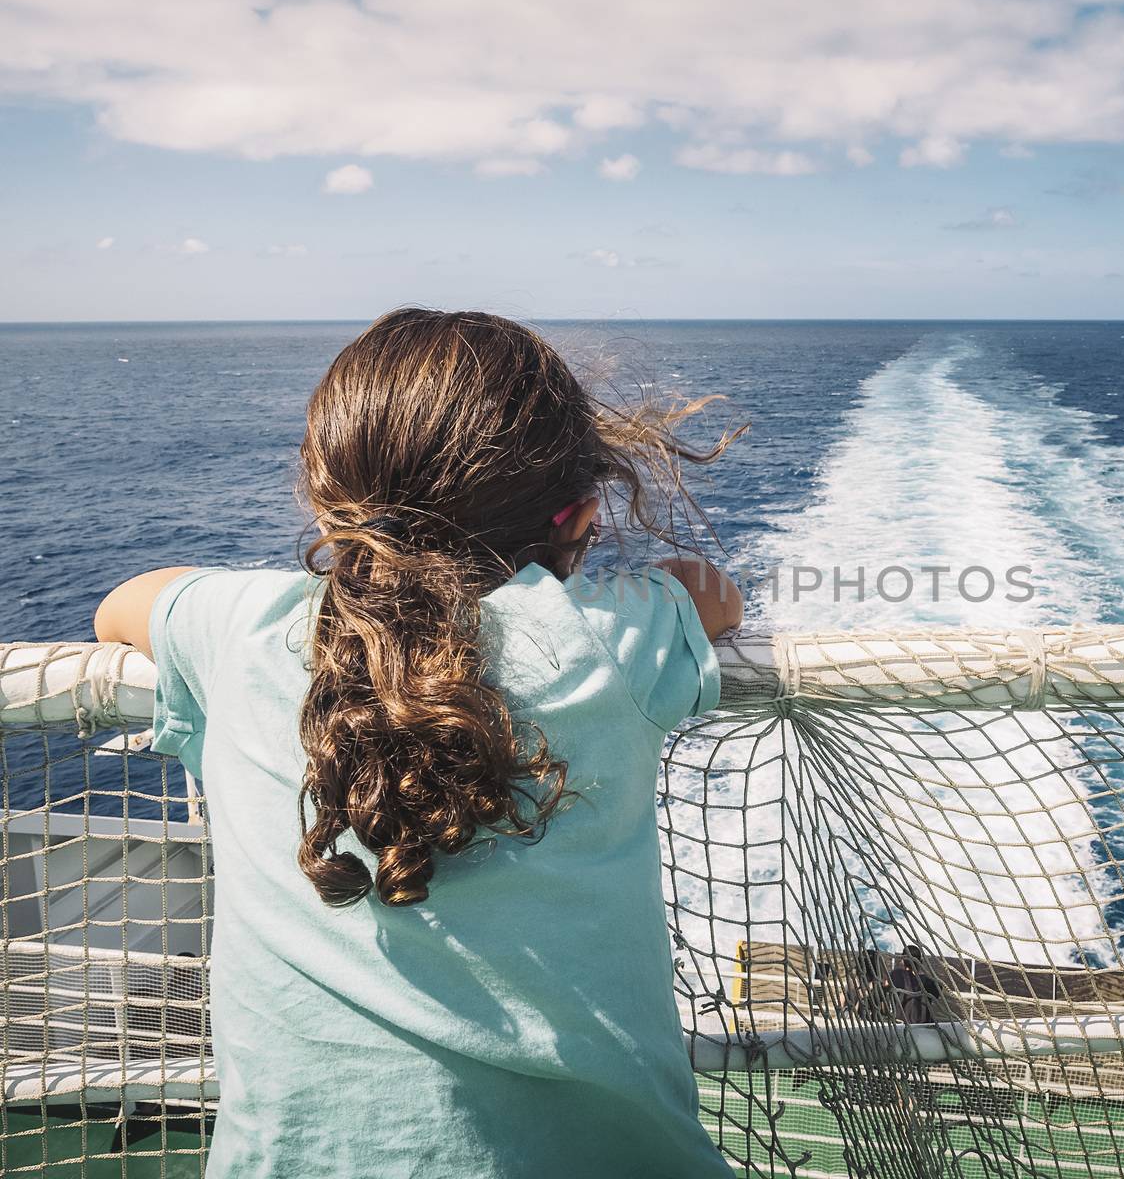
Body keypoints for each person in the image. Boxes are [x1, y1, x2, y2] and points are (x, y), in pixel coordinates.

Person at [93, 309, 745, 1178]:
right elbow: (711, 593)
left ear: (329, 512)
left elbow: (123, 605)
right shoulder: (610, 639)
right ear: (577, 513)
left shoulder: (241, 630)